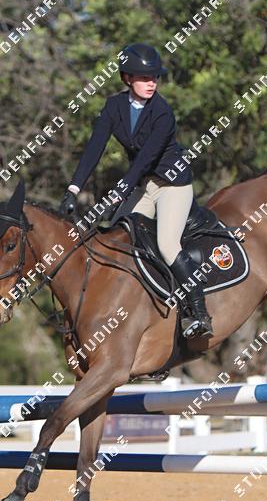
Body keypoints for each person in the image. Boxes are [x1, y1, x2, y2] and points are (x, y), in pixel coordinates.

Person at [59, 42, 213, 338]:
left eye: (155, 77)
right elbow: (94, 148)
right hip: (144, 186)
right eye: (144, 78)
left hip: (172, 186)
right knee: (117, 235)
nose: (152, 83)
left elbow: (144, 161)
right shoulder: (114, 107)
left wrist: (118, 193)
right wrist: (73, 189)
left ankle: (199, 312)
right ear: (127, 78)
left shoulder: (163, 112)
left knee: (167, 244)